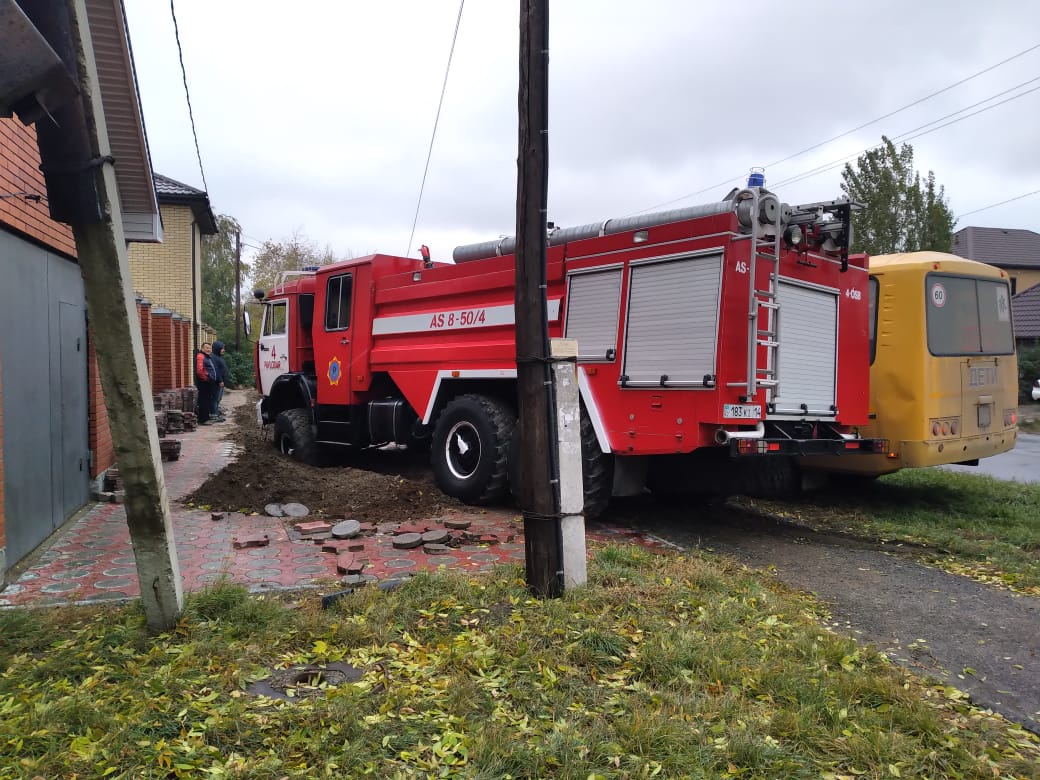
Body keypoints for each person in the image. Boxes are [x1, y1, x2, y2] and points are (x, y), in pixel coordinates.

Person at [194, 342, 218, 425]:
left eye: (210, 348)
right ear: (202, 348)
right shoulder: (201, 356)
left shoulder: (207, 357)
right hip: (204, 383)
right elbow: (199, 371)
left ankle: (206, 418)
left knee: (207, 400)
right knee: (204, 400)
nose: (208, 350)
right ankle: (203, 419)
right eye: (206, 348)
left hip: (207, 382)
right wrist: (207, 378)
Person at [211, 341, 230, 422]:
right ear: (218, 349)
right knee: (215, 399)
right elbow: (216, 370)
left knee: (218, 399)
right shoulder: (214, 358)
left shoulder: (218, 357)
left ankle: (216, 415)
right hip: (217, 383)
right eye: (222, 348)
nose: (224, 350)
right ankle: (214, 416)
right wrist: (220, 380)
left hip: (221, 383)